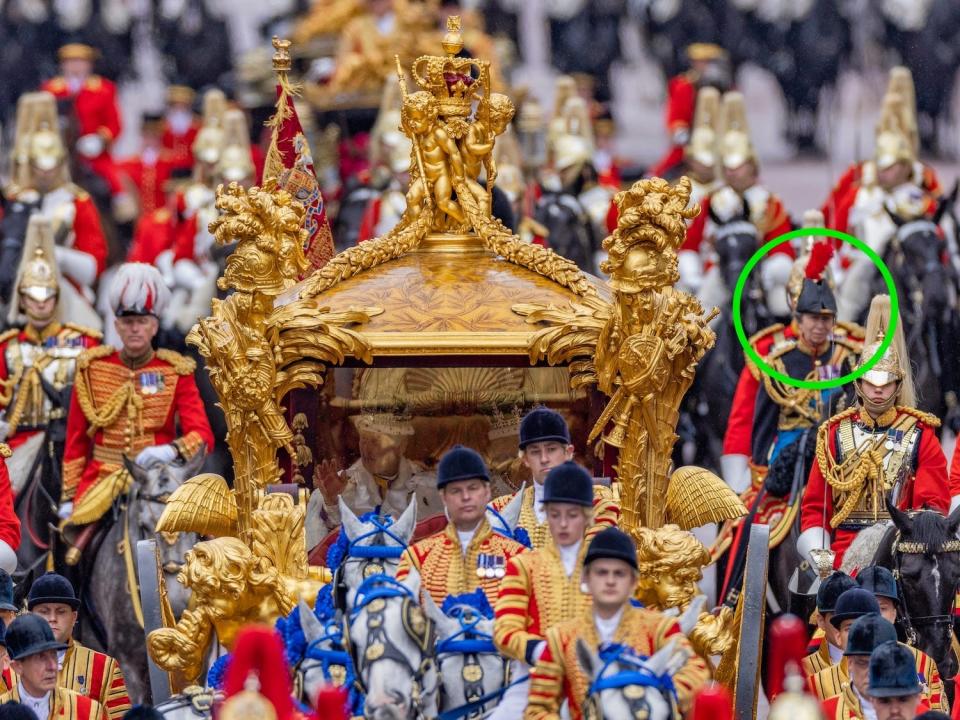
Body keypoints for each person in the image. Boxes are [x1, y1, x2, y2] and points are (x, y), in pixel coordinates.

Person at [59, 264, 214, 537]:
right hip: (101, 479)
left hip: (159, 477)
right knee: (72, 548)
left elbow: (202, 436)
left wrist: (169, 451)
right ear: (117, 325)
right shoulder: (92, 367)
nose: (135, 329)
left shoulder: (175, 371)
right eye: (128, 322)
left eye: (142, 322)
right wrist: (69, 497)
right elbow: (76, 441)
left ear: (154, 326)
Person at [799, 296, 950, 569]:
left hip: (901, 557)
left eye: (886, 382)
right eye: (871, 382)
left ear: (897, 383)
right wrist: (821, 559)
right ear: (858, 383)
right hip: (841, 559)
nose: (878, 389)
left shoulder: (921, 433)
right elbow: (814, 510)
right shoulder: (834, 433)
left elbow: (932, 509)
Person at [525, 527, 709, 719]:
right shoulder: (561, 637)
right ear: (586, 578)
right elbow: (538, 709)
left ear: (634, 581)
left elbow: (696, 671)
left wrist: (659, 693)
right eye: (602, 573)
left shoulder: (659, 627)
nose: (610, 581)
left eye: (619, 573)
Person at [0, 216, 101, 505]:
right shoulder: (6, 347)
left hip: (72, 445)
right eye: (32, 296)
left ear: (57, 298)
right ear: (21, 299)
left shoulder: (86, 343)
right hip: (19, 448)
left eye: (47, 295)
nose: (40, 302)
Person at [493, 461, 597, 719]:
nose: (562, 524)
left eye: (571, 515)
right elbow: (505, 629)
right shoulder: (523, 566)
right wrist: (540, 650)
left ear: (586, 516)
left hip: (594, 674)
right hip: (533, 674)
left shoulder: (606, 568)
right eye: (555, 514)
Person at [4, 92, 108, 330]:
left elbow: (93, 266)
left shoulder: (77, 201)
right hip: (16, 290)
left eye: (51, 165)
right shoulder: (14, 200)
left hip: (64, 288)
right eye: (40, 166)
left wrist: (57, 256)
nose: (46, 172)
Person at [683, 91, 794, 311]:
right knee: (699, 317)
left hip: (759, 274)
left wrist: (772, 271)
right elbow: (691, 243)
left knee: (782, 308)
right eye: (727, 167)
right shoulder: (712, 200)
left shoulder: (769, 201)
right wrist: (692, 273)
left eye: (738, 166)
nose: (732, 173)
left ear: (752, 165)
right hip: (718, 271)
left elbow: (782, 248)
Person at [396, 445, 527, 607]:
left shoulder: (519, 556)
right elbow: (403, 621)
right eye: (456, 490)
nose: (466, 497)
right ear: (443, 497)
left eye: (473, 488)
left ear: (487, 492)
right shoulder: (415, 557)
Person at [490, 408, 617, 550]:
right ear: (525, 459)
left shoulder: (598, 506)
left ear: (568, 453)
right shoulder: (498, 509)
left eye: (551, 449)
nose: (544, 459)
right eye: (535, 451)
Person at [307, 412, 440, 546]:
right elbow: (323, 551)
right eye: (364, 439)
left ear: (401, 446)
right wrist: (333, 502)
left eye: (375, 441)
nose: (367, 448)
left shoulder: (430, 487)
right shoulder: (334, 485)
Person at [808, 589, 946, 712]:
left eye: (879, 662)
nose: (871, 671)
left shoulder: (919, 713)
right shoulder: (825, 710)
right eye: (850, 628)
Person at [40, 44, 132, 221]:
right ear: (63, 65)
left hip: (94, 157)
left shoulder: (104, 89)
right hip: (59, 156)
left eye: (80, 62)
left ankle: (121, 229)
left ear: (89, 65)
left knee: (112, 189)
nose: (75, 67)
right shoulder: (51, 90)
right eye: (71, 62)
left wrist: (100, 139)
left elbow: (115, 124)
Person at [24, 574, 129, 719]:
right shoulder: (9, 668)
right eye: (44, 611)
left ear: (74, 618)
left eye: (61, 611)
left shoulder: (104, 667)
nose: (53, 618)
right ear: (30, 617)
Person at [0, 614, 107, 719]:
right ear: (17, 666)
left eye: (53, 654)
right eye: (41, 657)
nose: (52, 666)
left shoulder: (89, 711)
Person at [819, 612, 897, 719]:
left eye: (881, 663)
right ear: (850, 663)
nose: (871, 672)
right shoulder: (823, 714)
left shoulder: (917, 714)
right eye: (863, 663)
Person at [802, 571, 857, 676]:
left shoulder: (882, 664)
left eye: (854, 616)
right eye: (837, 617)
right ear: (821, 622)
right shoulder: (803, 672)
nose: (847, 624)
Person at [868, 641, 927, 720]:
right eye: (885, 701)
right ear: (872, 702)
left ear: (918, 698)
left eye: (903, 699)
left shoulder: (923, 669)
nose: (894, 710)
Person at [160, 85, 200, 175]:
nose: (179, 107)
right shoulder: (163, 126)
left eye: (183, 104)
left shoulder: (196, 125)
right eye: (176, 104)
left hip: (191, 165)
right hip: (169, 165)